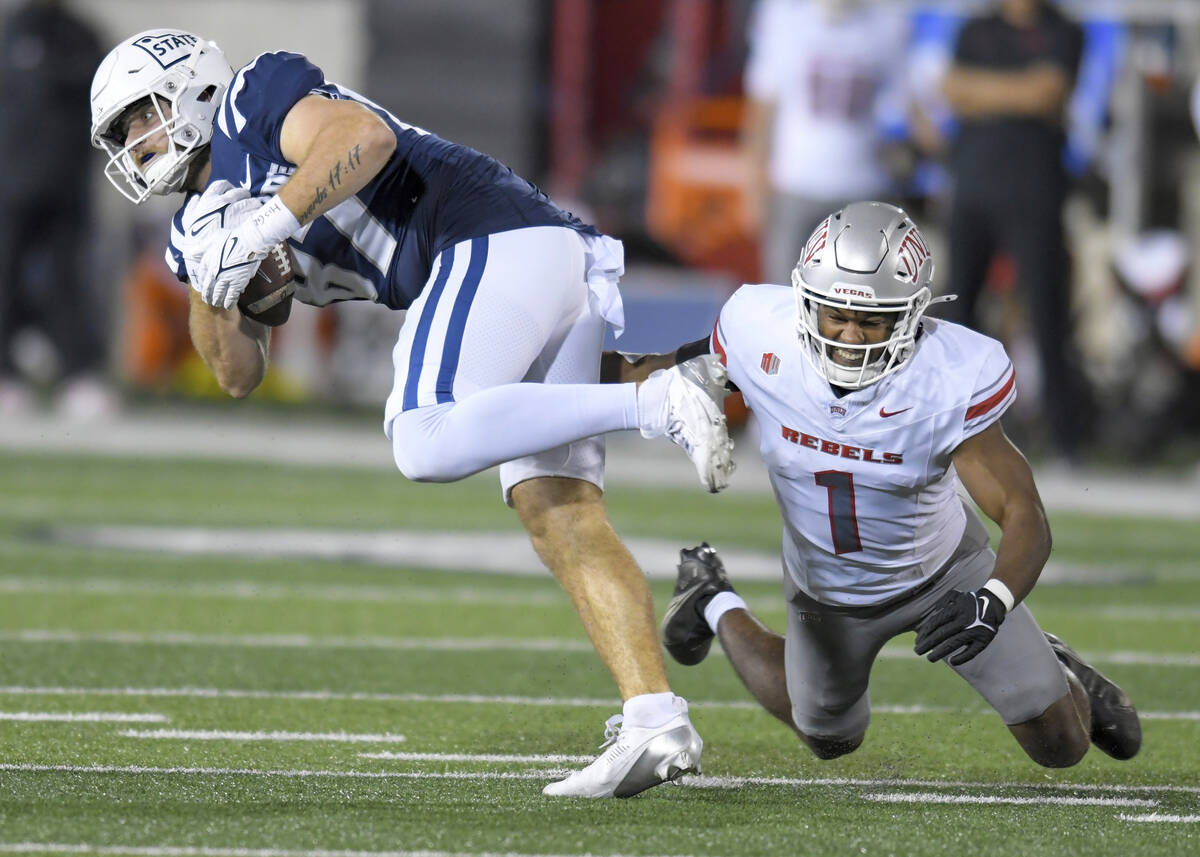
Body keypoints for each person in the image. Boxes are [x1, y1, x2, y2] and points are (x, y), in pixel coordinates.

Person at [89, 29, 737, 798]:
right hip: (528, 258)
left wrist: (264, 225)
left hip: (485, 234)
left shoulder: (250, 102)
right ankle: (653, 716)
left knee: (422, 434)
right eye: (122, 136)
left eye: (141, 118)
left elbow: (362, 137)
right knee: (558, 511)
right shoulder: (196, 225)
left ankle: (662, 397)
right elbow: (236, 373)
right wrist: (212, 275)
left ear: (190, 88)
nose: (134, 146)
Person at [622, 201, 1141, 767]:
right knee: (827, 736)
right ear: (805, 304)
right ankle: (712, 598)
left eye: (873, 319)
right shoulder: (757, 331)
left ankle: (1059, 665)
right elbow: (653, 372)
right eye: (835, 314)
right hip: (827, 588)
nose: (850, 335)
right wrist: (546, 376)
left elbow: (1024, 513)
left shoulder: (950, 372)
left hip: (945, 571)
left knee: (1062, 749)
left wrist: (991, 602)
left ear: (913, 314)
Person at [939, 0, 1086, 461]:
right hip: (973, 189)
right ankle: (942, 425)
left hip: (1034, 190)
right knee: (955, 314)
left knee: (1047, 315)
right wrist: (1017, 90)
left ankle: (1064, 439)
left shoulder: (1064, 30)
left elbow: (1048, 92)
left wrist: (984, 92)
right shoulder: (976, 29)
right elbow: (951, 89)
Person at [741, 0, 912, 283]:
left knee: (857, 300)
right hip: (795, 185)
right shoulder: (785, 19)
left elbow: (904, 104)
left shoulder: (887, 24)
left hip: (862, 189)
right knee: (786, 297)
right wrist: (753, 181)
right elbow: (762, 107)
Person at [0, 0, 110, 415]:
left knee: (69, 279)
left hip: (66, 186)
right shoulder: (10, 32)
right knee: (4, 277)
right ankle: (5, 373)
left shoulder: (82, 36)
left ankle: (79, 373)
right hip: (9, 187)